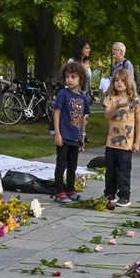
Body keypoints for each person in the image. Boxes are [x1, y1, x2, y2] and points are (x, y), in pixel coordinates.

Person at [102, 68, 140, 210]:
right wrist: (117, 106)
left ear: (128, 82)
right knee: (110, 171)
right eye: (116, 80)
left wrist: (137, 142)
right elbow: (107, 115)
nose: (119, 83)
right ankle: (109, 194)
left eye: (122, 80)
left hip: (126, 144)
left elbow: (138, 122)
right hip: (111, 143)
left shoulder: (134, 100)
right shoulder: (110, 98)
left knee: (123, 171)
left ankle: (125, 196)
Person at [52, 60, 91, 203]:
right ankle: (59, 192)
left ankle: (70, 190)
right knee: (61, 164)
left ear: (81, 79)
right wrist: (57, 133)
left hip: (76, 137)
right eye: (67, 76)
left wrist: (82, 136)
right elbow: (57, 112)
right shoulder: (63, 94)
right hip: (64, 136)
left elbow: (83, 118)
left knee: (72, 166)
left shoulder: (83, 98)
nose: (69, 79)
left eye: (73, 77)